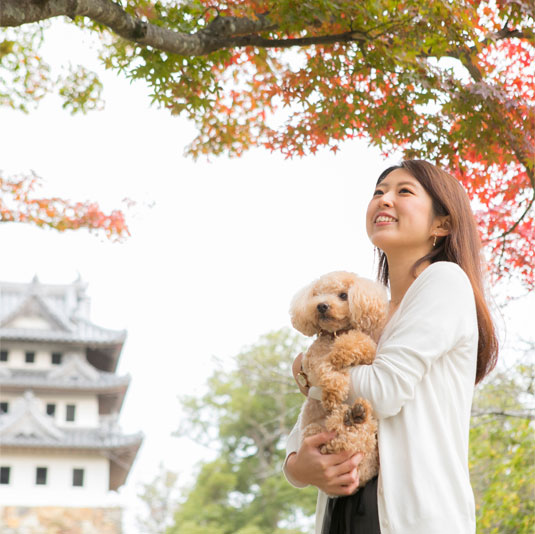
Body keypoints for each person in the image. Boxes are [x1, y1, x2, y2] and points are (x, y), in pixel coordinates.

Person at [283, 160, 499, 534]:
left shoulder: (444, 281)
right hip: (342, 513)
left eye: (403, 191)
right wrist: (295, 467)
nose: (384, 199)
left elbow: (383, 390)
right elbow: (316, 410)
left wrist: (308, 368)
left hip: (415, 517)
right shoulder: (364, 313)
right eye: (378, 191)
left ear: (442, 224)